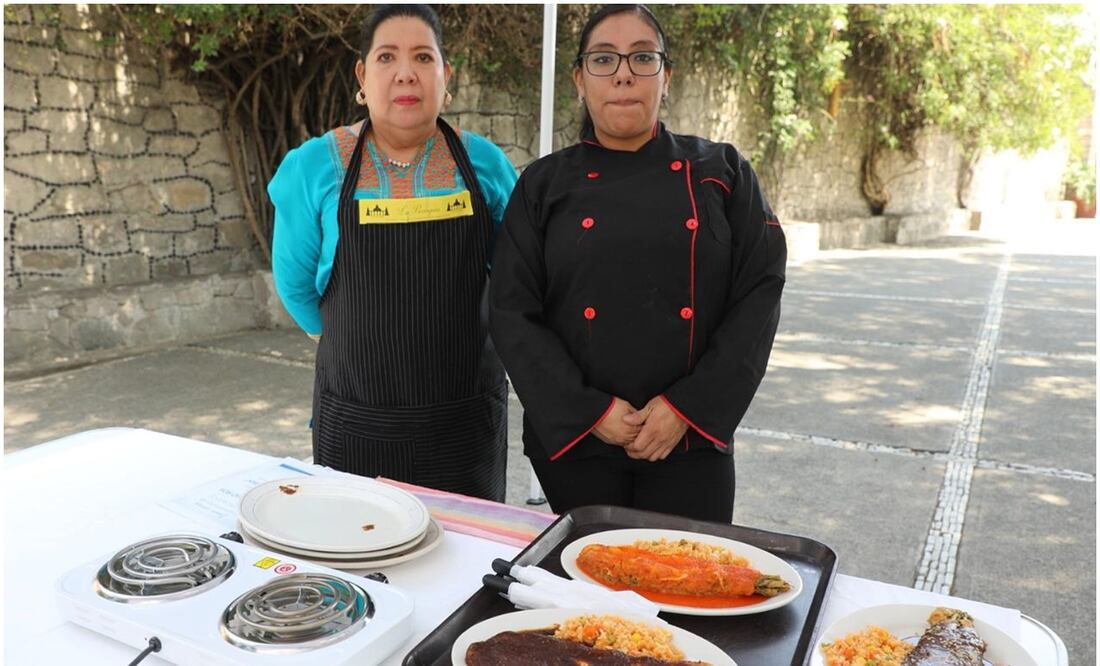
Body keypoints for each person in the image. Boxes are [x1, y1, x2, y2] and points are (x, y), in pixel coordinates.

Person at [489, 4, 786, 522]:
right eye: (604, 59)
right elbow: (512, 312)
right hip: (579, 444)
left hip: (690, 443)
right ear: (579, 81)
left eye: (642, 57)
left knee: (688, 569)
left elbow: (759, 290)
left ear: (666, 77)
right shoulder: (542, 184)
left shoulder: (722, 171)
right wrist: (592, 411)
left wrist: (686, 408)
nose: (623, 74)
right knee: (587, 572)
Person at [268, 4, 517, 501]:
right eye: (387, 57)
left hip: (465, 426)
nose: (406, 72)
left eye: (423, 57)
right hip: (356, 424)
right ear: (362, 76)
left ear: (446, 76)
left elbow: (516, 281)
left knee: (466, 548)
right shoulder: (314, 167)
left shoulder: (485, 165)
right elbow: (295, 285)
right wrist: (354, 346)